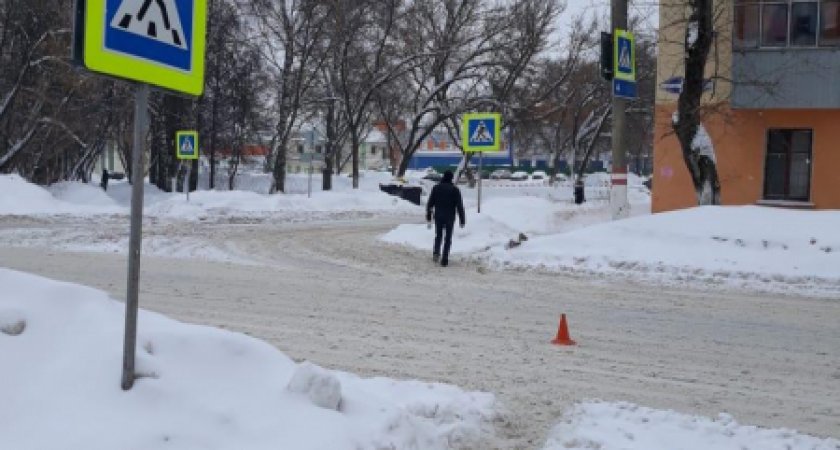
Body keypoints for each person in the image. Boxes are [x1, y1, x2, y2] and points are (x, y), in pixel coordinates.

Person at [426, 170, 465, 267]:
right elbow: (459, 206)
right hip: (450, 217)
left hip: (438, 216)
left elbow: (430, 203)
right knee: (448, 238)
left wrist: (429, 216)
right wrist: (462, 220)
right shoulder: (455, 190)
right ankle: (445, 259)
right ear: (451, 178)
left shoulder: (436, 188)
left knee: (438, 235)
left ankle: (436, 253)